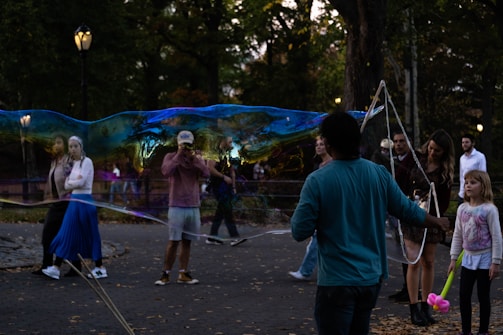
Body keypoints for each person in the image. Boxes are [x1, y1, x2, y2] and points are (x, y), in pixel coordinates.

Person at [290, 112, 450, 335]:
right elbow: (407, 210)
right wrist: (437, 221)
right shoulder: (379, 174)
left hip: (337, 281)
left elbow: (299, 230)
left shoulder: (317, 181)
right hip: (370, 279)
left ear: (327, 143)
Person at [401, 129, 455, 326]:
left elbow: (444, 199)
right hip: (412, 215)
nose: (432, 153)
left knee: (429, 261)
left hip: (432, 218)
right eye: (431, 148)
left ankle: (426, 306)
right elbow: (399, 178)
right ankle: (413, 307)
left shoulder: (444, 172)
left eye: (437, 151)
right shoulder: (415, 159)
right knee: (413, 261)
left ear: (444, 152)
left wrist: (436, 219)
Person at [43, 136, 107, 280]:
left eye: (75, 146)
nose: (72, 149)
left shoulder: (87, 162)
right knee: (66, 231)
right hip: (74, 201)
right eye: (70, 146)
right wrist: (73, 182)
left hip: (85, 201)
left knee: (91, 234)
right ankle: (56, 267)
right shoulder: (74, 164)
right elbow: (66, 185)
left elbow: (82, 181)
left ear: (81, 147)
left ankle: (100, 267)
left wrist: (72, 182)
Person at [449, 170, 502, 335]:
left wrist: (496, 261)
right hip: (467, 258)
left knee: (483, 296)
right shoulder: (462, 209)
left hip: (485, 259)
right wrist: (453, 258)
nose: (468, 186)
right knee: (464, 295)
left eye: (473, 182)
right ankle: (466, 331)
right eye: (466, 183)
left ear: (483, 186)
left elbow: (497, 236)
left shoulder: (489, 209)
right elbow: (457, 234)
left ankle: (483, 331)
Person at [154, 130, 210, 285]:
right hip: (176, 205)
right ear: (177, 144)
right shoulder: (170, 157)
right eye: (183, 144)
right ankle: (165, 273)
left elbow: (206, 173)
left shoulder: (196, 158)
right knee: (174, 241)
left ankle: (183, 273)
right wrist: (179, 155)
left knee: (187, 241)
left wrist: (197, 160)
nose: (186, 147)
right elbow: (166, 171)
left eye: (188, 145)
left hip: (193, 204)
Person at [32, 135, 80, 277]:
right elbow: (51, 183)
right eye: (54, 143)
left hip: (68, 202)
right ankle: (70, 266)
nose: (56, 145)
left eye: (59, 143)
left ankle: (51, 266)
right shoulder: (55, 162)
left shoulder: (68, 161)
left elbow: (75, 179)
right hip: (57, 202)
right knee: (55, 234)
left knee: (53, 233)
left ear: (64, 145)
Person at [288, 135, 332, 281]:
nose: (319, 147)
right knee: (318, 240)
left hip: (329, 207)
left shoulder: (333, 164)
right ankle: (307, 270)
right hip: (320, 207)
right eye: (317, 145)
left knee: (317, 240)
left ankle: (305, 271)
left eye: (322, 144)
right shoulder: (318, 166)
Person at [387, 131, 417, 302]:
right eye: (396, 141)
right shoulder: (390, 160)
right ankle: (407, 287)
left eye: (401, 141)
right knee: (401, 249)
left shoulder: (413, 161)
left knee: (409, 250)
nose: (398, 144)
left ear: (408, 142)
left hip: (407, 208)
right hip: (394, 210)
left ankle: (411, 288)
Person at [205, 136, 246, 247]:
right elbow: (210, 168)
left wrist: (233, 186)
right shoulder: (215, 153)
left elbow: (232, 171)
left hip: (226, 188)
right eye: (230, 142)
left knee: (221, 211)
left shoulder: (228, 154)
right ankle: (234, 237)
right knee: (227, 210)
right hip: (218, 186)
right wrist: (223, 177)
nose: (231, 144)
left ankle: (212, 237)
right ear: (222, 140)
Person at [458, 133, 486, 205]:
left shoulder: (480, 157)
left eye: (467, 142)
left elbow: (483, 176)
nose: (464, 144)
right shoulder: (462, 158)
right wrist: (461, 191)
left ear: (473, 143)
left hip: (475, 195)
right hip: (462, 194)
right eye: (463, 142)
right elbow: (461, 176)